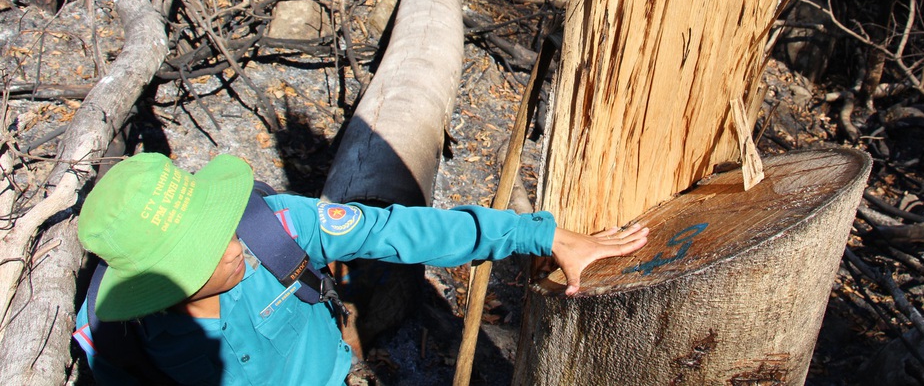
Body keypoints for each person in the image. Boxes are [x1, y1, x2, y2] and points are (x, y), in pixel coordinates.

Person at [73, 153, 648, 385]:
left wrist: (539, 234)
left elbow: (398, 230)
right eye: (201, 249)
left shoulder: (277, 228)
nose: (230, 246)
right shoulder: (113, 337)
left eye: (217, 221)